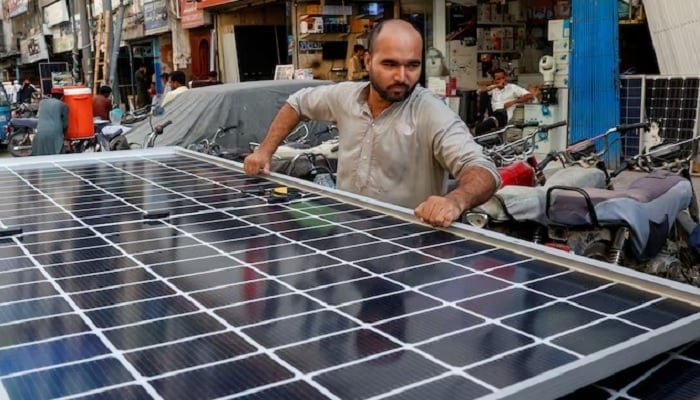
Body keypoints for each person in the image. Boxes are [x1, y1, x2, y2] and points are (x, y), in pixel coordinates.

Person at [244, 19, 499, 228]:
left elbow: (482, 169)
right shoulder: (345, 97)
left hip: (406, 253)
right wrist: (266, 150)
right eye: (390, 64)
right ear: (368, 61)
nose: (402, 76)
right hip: (347, 240)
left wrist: (456, 200)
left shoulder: (432, 114)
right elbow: (297, 104)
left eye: (412, 65)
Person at [474, 68, 534, 135]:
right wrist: (496, 86)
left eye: (503, 78)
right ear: (494, 80)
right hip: (494, 114)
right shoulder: (494, 88)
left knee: (482, 127)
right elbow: (479, 91)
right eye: (498, 79)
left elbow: (530, 95)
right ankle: (481, 118)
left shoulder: (512, 87)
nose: (502, 80)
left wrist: (513, 102)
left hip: (504, 115)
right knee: (484, 94)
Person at [32, 86, 69, 156]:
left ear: (51, 95)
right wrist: (64, 134)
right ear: (62, 96)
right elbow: (65, 124)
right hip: (55, 134)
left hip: (40, 132)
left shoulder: (42, 102)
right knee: (56, 156)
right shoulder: (63, 105)